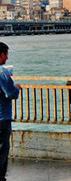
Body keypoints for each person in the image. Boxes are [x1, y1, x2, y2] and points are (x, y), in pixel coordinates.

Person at [0, 42, 22, 181]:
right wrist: (17, 87)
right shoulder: (2, 72)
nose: (7, 58)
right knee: (2, 152)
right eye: (6, 54)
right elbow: (10, 93)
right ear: (1, 55)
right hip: (2, 118)